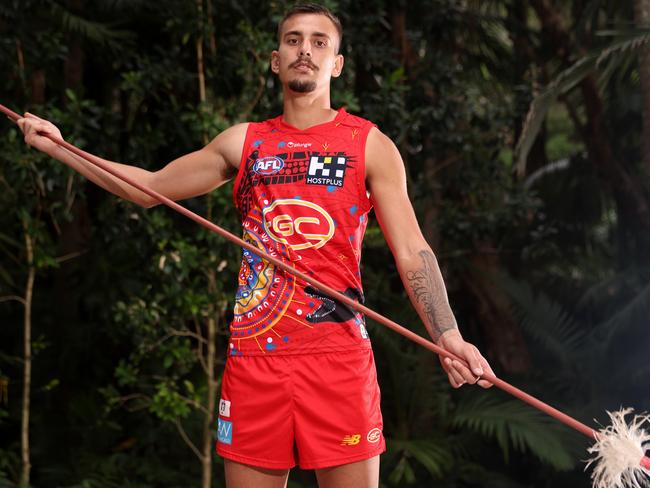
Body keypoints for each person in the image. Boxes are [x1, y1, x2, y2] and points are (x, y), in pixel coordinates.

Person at [17, 3, 494, 487]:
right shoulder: (244, 143)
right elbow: (148, 188)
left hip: (339, 360)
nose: (304, 49)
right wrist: (59, 147)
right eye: (293, 39)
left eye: (319, 41)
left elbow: (412, 248)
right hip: (255, 362)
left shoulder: (368, 144)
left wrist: (447, 334)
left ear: (338, 63)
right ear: (274, 58)